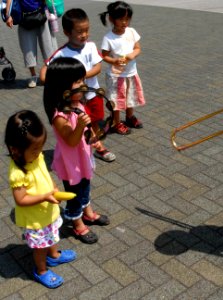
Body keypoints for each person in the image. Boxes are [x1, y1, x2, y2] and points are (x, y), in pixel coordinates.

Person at [5, 110, 77, 289]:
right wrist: (44, 196)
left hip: (48, 211)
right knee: (40, 247)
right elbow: (21, 199)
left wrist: (53, 187)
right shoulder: (17, 173)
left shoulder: (36, 157)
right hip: (36, 219)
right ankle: (41, 270)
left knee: (53, 235)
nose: (39, 153)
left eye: (40, 148)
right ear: (15, 150)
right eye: (35, 150)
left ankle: (53, 256)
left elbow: (44, 173)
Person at [43, 57, 110, 244]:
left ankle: (88, 213)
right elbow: (71, 141)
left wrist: (94, 140)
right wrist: (80, 127)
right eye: (78, 81)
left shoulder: (78, 104)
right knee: (74, 195)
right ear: (63, 87)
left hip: (83, 157)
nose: (83, 85)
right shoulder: (60, 116)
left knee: (85, 188)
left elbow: (85, 133)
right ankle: (78, 223)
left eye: (83, 80)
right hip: (71, 162)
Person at [40, 8, 116, 163]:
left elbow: (98, 67)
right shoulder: (61, 53)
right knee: (79, 123)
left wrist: (81, 76)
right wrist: (55, 82)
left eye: (87, 30)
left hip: (92, 94)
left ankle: (94, 143)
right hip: (75, 99)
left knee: (94, 121)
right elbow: (44, 72)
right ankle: (91, 146)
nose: (84, 35)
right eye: (80, 31)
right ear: (67, 32)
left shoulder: (90, 46)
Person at [99, 1, 145, 135]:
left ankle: (130, 117)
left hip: (131, 73)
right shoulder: (108, 37)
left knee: (130, 96)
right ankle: (115, 122)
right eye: (121, 19)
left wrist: (131, 55)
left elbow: (138, 48)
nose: (125, 22)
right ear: (112, 19)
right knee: (116, 100)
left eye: (127, 19)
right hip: (116, 76)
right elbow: (104, 56)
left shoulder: (131, 32)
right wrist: (114, 60)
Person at [4, 0, 57, 88]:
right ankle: (33, 76)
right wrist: (8, 15)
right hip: (25, 19)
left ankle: (49, 72)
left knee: (48, 47)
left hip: (42, 14)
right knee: (28, 48)